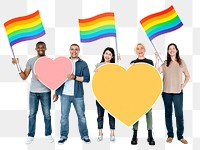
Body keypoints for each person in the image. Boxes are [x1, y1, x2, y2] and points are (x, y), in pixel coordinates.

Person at [12, 41, 54, 144]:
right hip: (33, 92)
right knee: (31, 114)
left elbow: (53, 78)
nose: (41, 49)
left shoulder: (50, 61)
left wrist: (44, 76)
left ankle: (48, 134)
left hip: (45, 92)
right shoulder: (31, 61)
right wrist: (17, 65)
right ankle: (30, 135)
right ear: (36, 49)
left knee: (47, 115)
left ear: (45, 48)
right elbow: (24, 77)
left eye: (42, 47)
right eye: (39, 47)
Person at [53, 43, 91, 144]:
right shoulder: (63, 62)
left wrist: (74, 77)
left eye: (76, 49)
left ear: (79, 51)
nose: (74, 51)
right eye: (72, 49)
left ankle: (85, 135)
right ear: (69, 50)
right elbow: (58, 78)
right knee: (64, 116)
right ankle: (63, 135)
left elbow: (87, 79)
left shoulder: (83, 64)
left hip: (78, 95)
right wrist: (56, 92)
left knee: (81, 116)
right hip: (64, 94)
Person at [155, 43, 190, 144]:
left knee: (179, 114)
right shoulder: (165, 63)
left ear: (176, 50)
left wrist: (183, 85)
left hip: (178, 93)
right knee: (168, 114)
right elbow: (157, 72)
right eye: (170, 49)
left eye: (173, 48)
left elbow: (188, 76)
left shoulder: (181, 62)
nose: (171, 50)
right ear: (168, 51)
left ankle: (180, 136)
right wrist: (157, 59)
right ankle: (170, 135)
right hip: (166, 93)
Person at [130, 43, 155, 145]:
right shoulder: (133, 62)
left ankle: (150, 135)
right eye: (138, 49)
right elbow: (130, 79)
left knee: (149, 113)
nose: (140, 50)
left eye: (141, 48)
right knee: (136, 113)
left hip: (147, 91)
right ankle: (134, 135)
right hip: (136, 92)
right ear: (136, 51)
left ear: (144, 50)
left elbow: (154, 77)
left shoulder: (149, 62)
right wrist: (131, 68)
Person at [94, 47, 116, 142]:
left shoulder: (114, 66)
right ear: (103, 54)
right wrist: (96, 71)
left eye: (110, 54)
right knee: (100, 115)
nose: (107, 56)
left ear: (112, 57)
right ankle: (100, 132)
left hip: (111, 95)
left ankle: (112, 133)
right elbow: (95, 79)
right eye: (106, 53)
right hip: (100, 94)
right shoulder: (98, 65)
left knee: (111, 115)